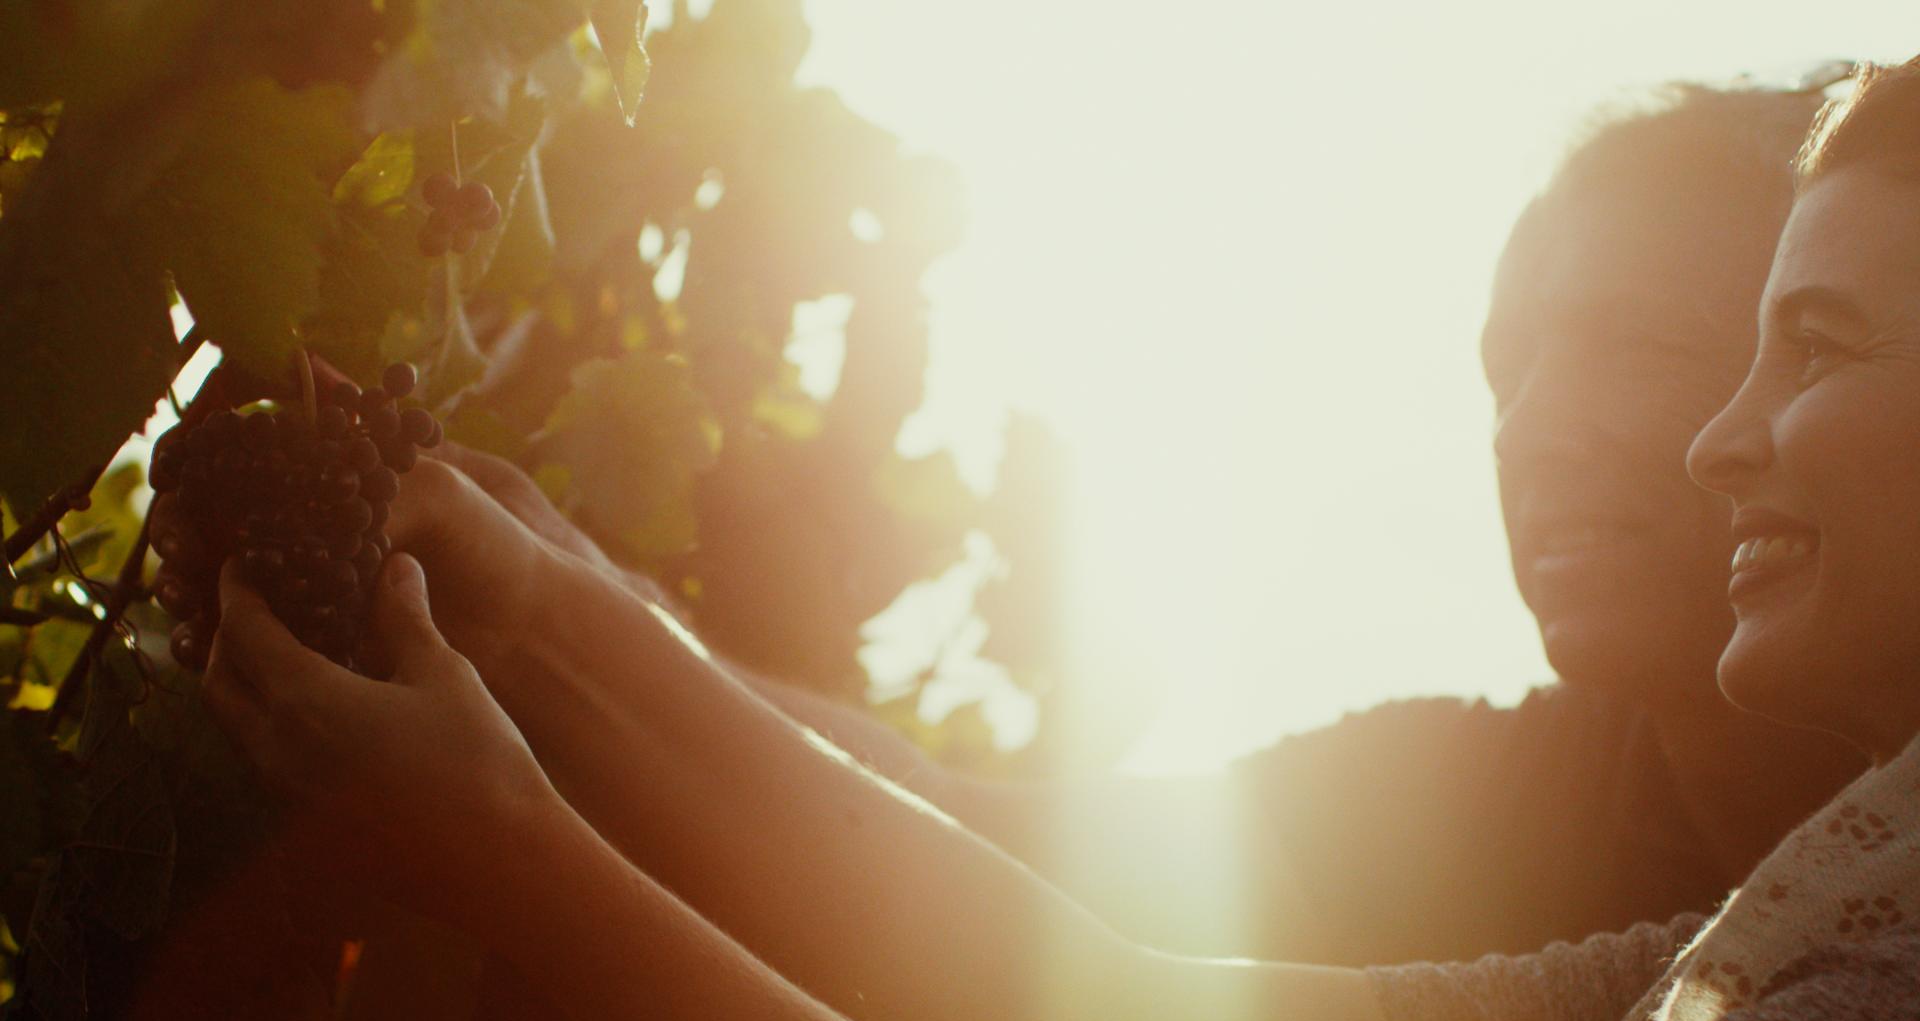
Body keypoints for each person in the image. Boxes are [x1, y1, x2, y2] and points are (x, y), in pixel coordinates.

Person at [201, 58, 1920, 1021]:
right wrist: (552, 627)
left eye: (1805, 347)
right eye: (1506, 365)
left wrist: (516, 847)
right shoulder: (1778, 934)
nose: (1709, 443)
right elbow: (1106, 1002)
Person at [440, 80, 1862, 972]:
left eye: (1640, 345)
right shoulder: (1501, 793)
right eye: (1507, 367)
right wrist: (572, 594)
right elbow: (995, 843)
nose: (1530, 429)